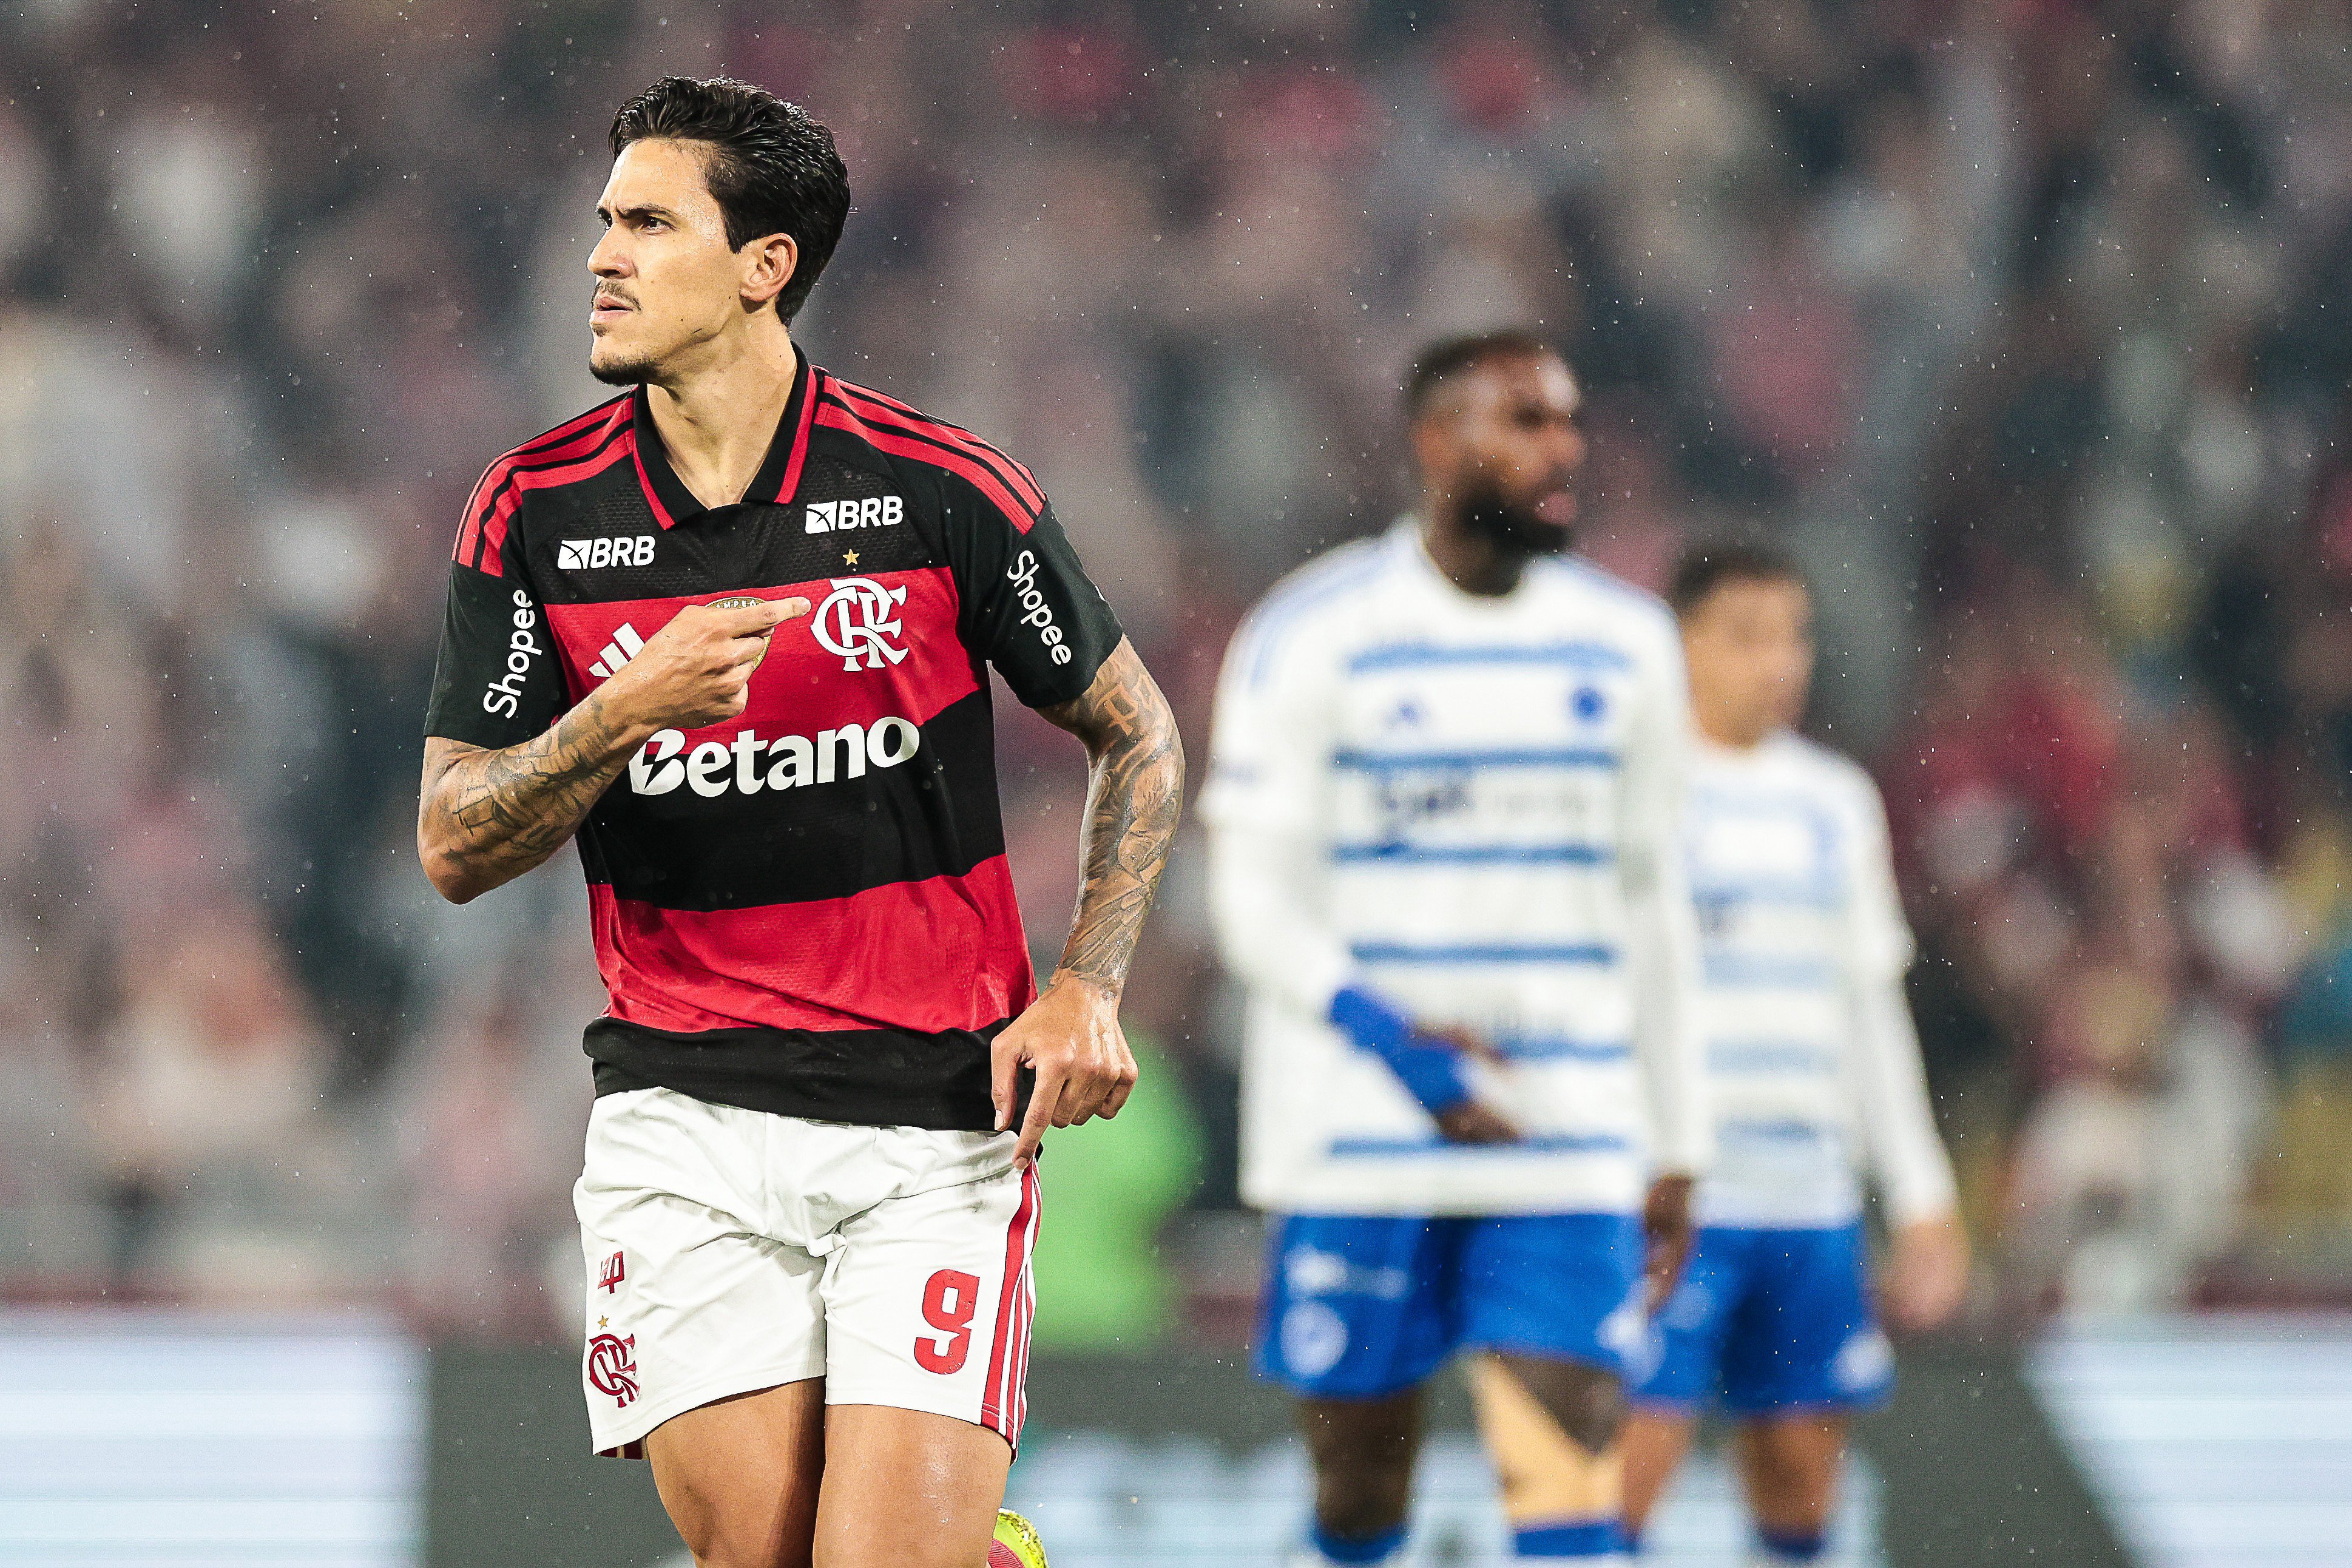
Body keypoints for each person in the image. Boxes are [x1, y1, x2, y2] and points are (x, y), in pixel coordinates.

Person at [413, 76, 1184, 1568]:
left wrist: (1088, 978)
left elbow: (1135, 730)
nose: (603, 256)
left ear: (766, 266)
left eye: (649, 222)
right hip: (681, 1123)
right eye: (603, 222)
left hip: (930, 1128)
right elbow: (454, 843)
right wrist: (622, 711)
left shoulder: (936, 490)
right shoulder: (533, 514)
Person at [1203, 329, 1712, 1567]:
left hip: (1563, 1126)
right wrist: (1398, 1043)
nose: (1563, 448)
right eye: (1526, 421)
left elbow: (1655, 899)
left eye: (1570, 420)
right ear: (1438, 442)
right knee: (1362, 1484)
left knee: (1568, 1458)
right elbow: (1250, 893)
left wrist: (1680, 1136)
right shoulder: (1314, 633)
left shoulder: (1631, 643)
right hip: (1360, 1133)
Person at [1620, 544, 1969, 1566]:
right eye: (1748, 636)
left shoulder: (1836, 804)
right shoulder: (1640, 796)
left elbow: (1870, 1012)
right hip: (1677, 1199)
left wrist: (1919, 1192)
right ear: (1683, 646)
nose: (1780, 662)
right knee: (1625, 1482)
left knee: (1801, 1492)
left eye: (1794, 637)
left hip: (1809, 1200)